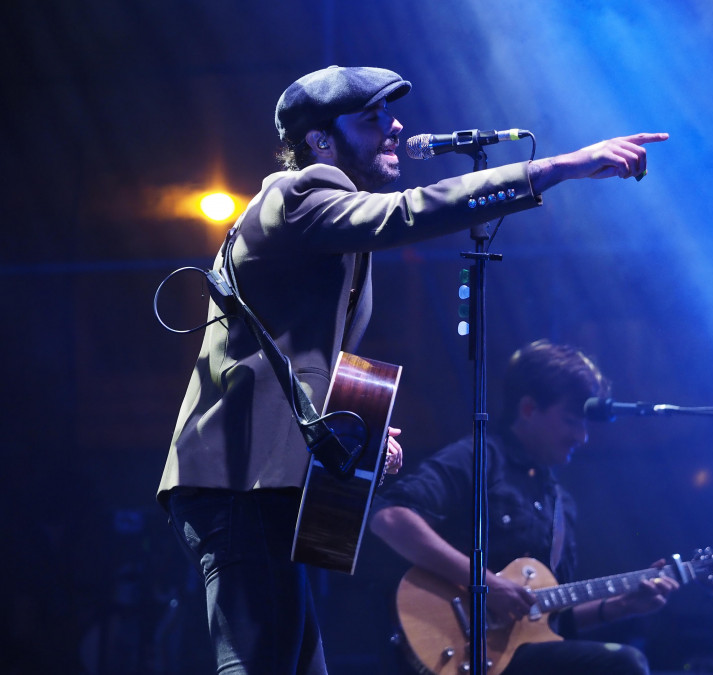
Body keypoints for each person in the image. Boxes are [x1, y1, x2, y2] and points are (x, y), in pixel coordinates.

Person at [157, 64, 668, 675]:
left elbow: (302, 364)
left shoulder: (327, 230)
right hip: (239, 483)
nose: (395, 128)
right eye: (372, 119)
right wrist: (553, 169)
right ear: (321, 141)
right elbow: (408, 212)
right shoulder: (296, 194)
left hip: (273, 489)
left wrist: (366, 437)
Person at [369, 340, 679, 675]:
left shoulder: (561, 503)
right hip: (455, 651)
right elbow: (390, 518)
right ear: (529, 409)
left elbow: (549, 619)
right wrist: (484, 584)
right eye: (572, 420)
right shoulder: (479, 458)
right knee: (625, 664)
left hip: (516, 659)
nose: (582, 437)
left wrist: (619, 606)